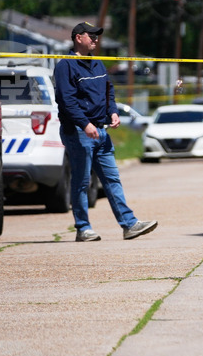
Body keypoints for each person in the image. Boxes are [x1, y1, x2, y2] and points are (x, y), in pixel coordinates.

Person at [54, 22, 158, 242]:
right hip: (79, 132)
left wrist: (113, 112)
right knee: (82, 182)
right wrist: (85, 124)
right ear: (78, 38)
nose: (96, 40)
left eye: (97, 36)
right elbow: (66, 101)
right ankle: (83, 228)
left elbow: (108, 92)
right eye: (91, 36)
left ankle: (129, 225)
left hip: (101, 132)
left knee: (112, 180)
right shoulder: (66, 66)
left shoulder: (98, 64)